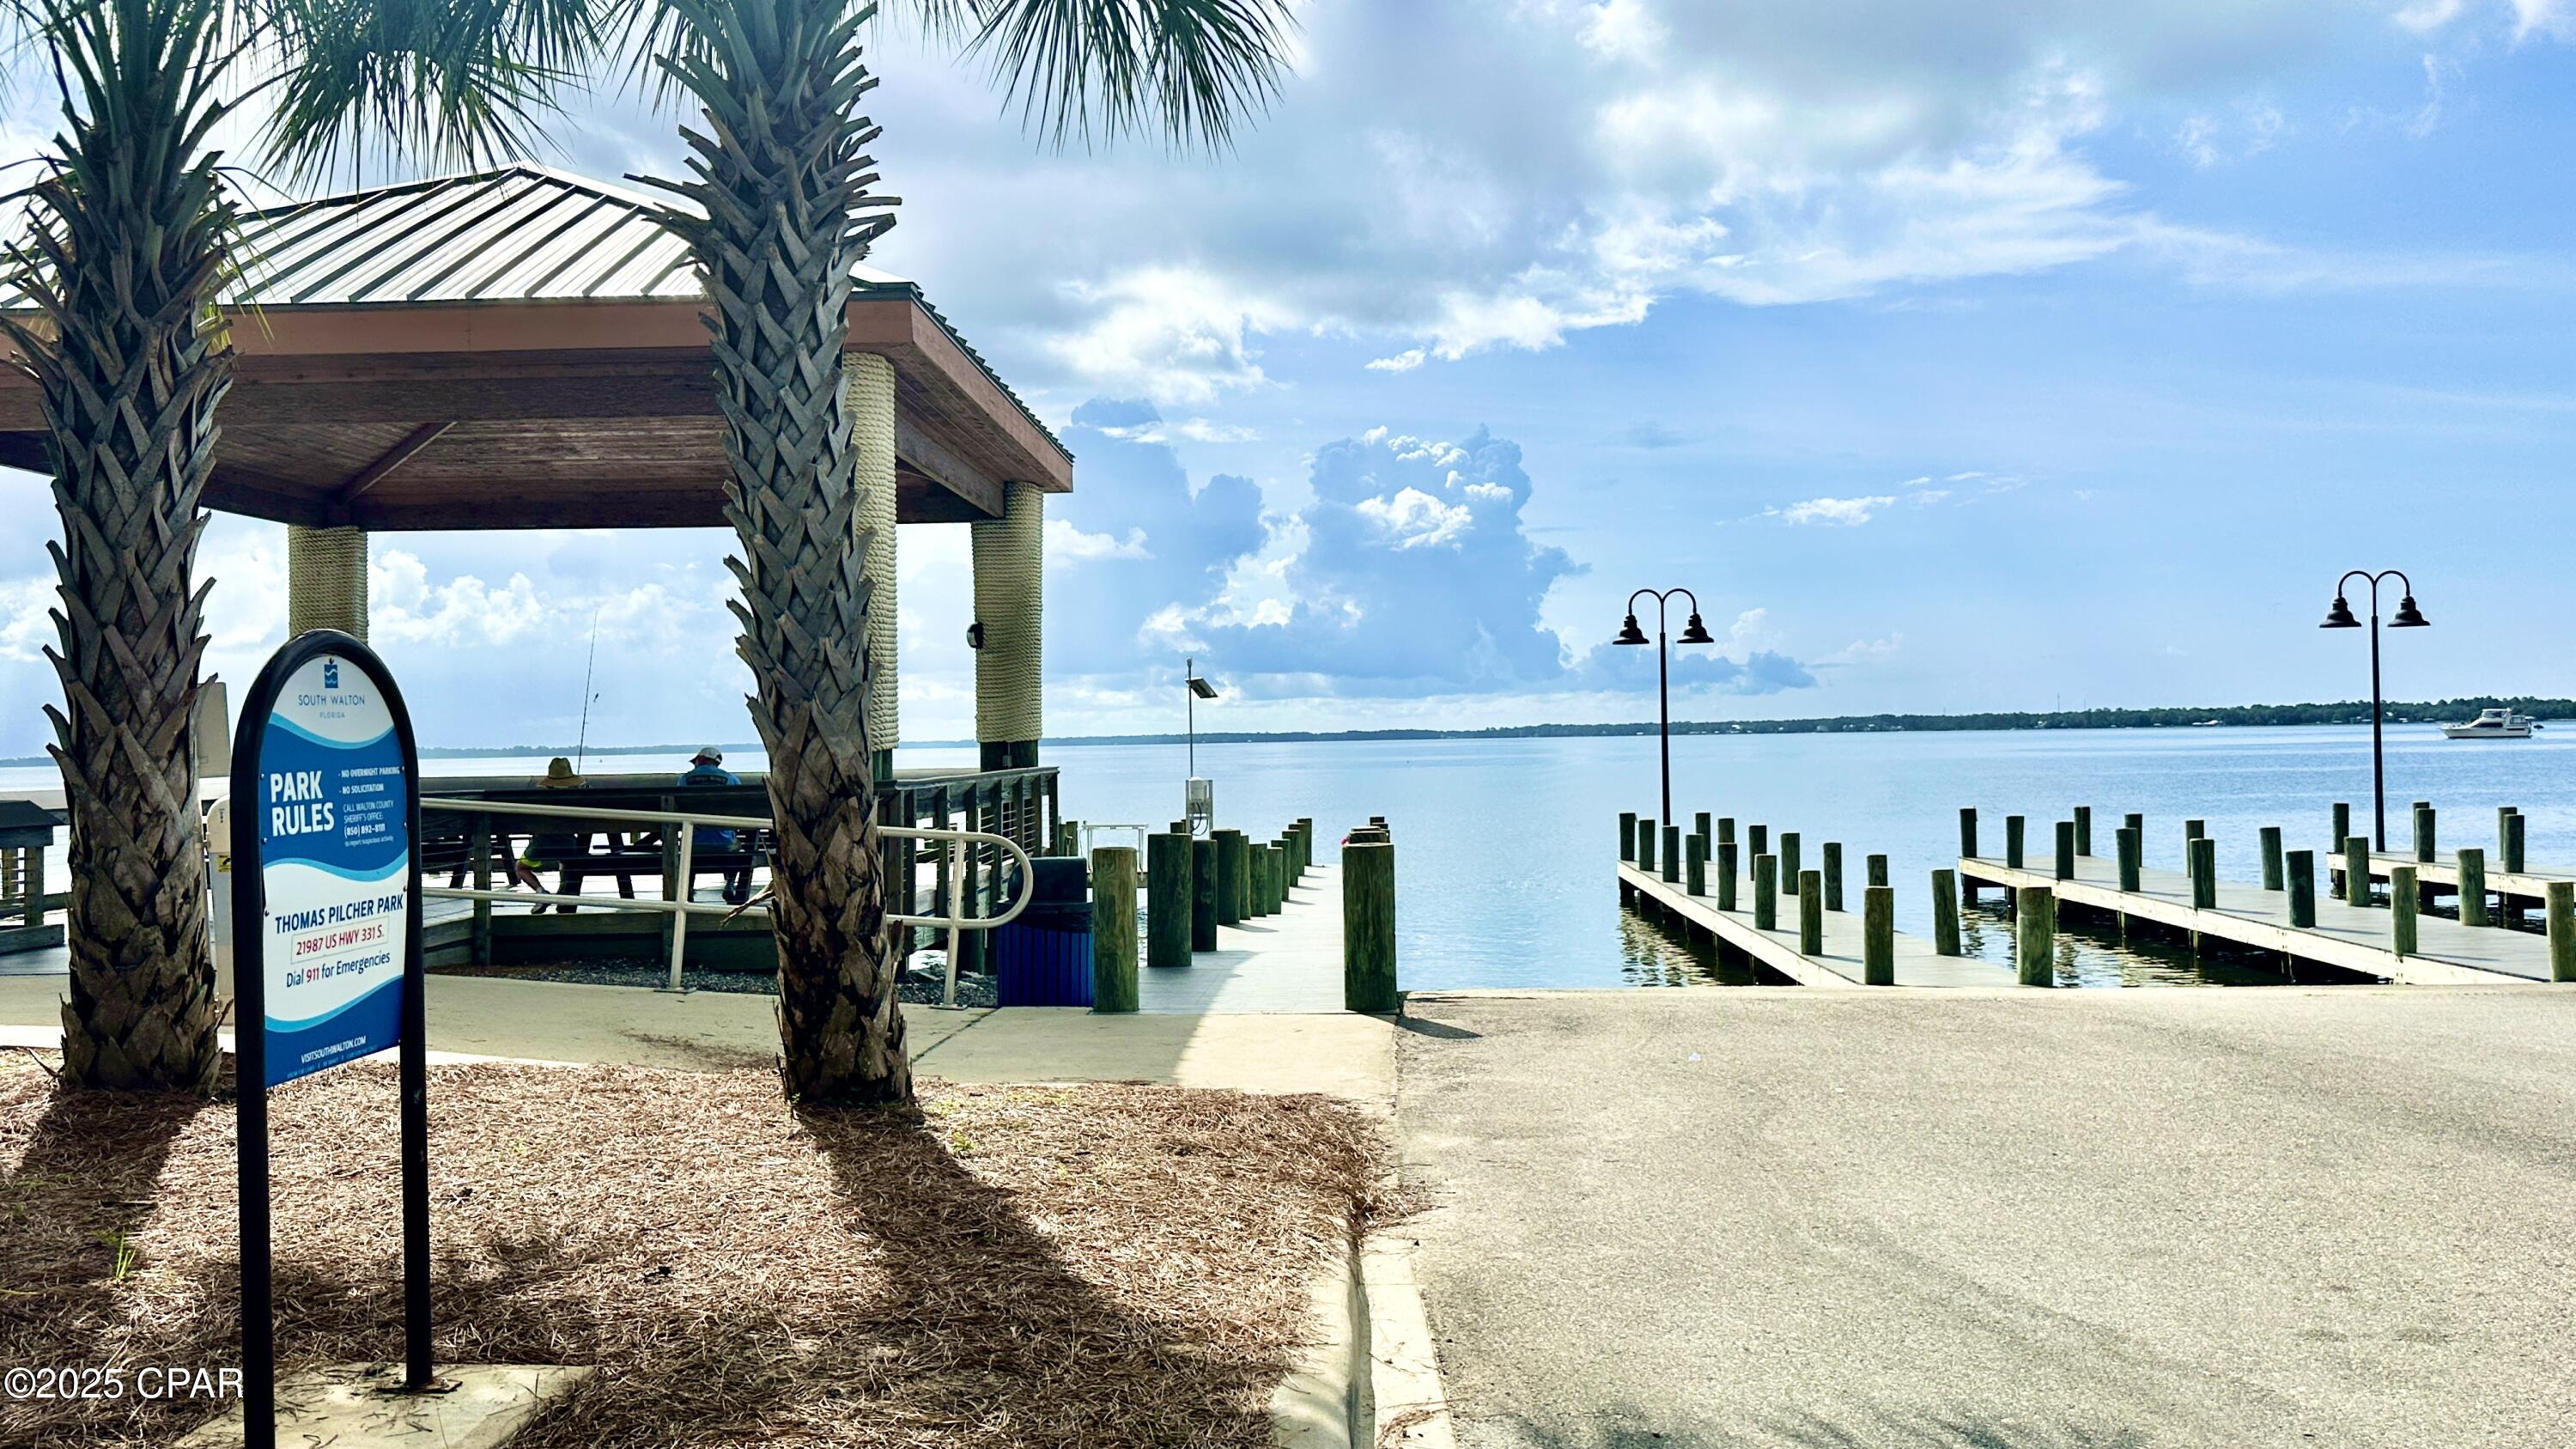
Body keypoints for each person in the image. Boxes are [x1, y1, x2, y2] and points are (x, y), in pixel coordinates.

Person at [508, 758, 586, 912]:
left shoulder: (540, 799)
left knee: (521, 867)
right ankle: (563, 897)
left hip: (541, 844)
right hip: (569, 845)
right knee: (566, 864)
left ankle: (540, 891)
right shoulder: (576, 799)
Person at [678, 746, 752, 904]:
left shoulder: (684, 780)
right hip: (724, 845)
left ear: (701, 760)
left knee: (687, 852)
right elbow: (742, 809)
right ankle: (730, 884)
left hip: (693, 845)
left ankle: (688, 889)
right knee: (738, 847)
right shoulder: (731, 780)